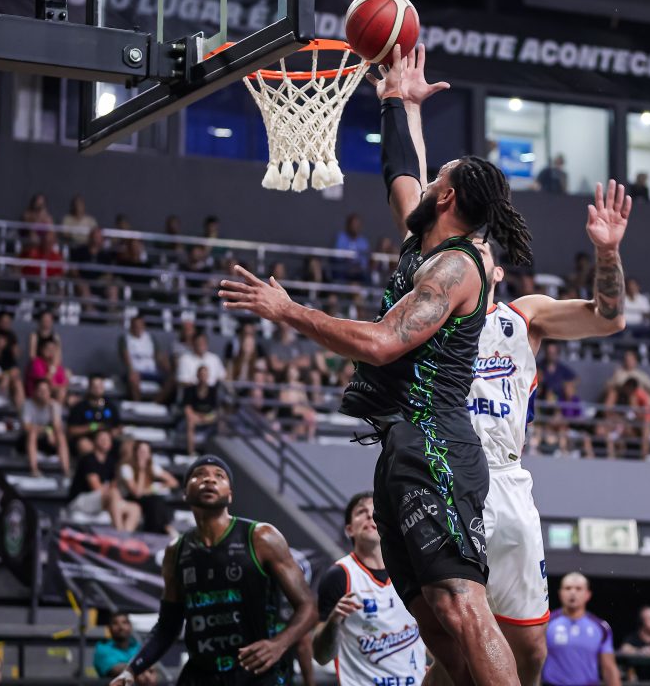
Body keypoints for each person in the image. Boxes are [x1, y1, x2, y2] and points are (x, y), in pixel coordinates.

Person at [219, 43, 524, 686]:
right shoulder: (425, 238)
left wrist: (288, 310)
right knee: (433, 622)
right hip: (400, 444)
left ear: (447, 197)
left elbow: (384, 343)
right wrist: (396, 102)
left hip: (438, 442)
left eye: (438, 178)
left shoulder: (454, 266)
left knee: (462, 606)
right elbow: (402, 173)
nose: (427, 180)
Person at [468, 178, 631, 684]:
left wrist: (607, 252)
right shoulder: (429, 317)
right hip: (451, 476)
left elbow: (609, 319)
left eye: (479, 250)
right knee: (457, 642)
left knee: (532, 651)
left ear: (496, 270)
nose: (468, 256)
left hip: (508, 479)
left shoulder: (524, 316)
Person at [113, 455, 316, 686]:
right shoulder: (175, 551)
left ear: (230, 495)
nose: (209, 479)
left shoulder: (261, 537)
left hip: (256, 672)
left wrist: (278, 644)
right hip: (202, 674)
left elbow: (309, 607)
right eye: (199, 475)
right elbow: (168, 626)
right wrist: (131, 670)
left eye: (219, 476)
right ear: (185, 493)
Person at [313, 492, 426, 686]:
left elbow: (432, 634)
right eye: (361, 512)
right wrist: (334, 621)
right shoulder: (339, 576)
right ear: (349, 530)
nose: (369, 515)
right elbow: (321, 657)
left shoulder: (411, 569)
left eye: (375, 511)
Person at [543, 573, 621, 686]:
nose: (573, 592)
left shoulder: (601, 627)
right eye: (568, 588)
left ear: (587, 594)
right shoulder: (546, 624)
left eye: (578, 589)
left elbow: (609, 669)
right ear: (560, 593)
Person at [67, 429, 139, 531]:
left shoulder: (111, 462)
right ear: (94, 441)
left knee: (135, 508)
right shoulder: (88, 459)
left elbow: (113, 485)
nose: (105, 441)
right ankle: (119, 532)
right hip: (80, 500)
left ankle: (126, 536)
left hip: (102, 499)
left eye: (107, 439)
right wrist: (111, 494)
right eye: (102, 439)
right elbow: (96, 487)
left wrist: (113, 496)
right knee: (114, 493)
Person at [118, 441, 178, 535]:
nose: (143, 455)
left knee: (158, 501)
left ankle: (163, 528)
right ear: (135, 453)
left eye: (146, 452)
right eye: (141, 451)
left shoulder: (152, 467)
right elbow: (137, 493)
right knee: (155, 502)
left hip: (147, 498)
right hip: (131, 499)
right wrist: (141, 470)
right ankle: (165, 528)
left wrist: (156, 487)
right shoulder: (126, 468)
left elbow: (174, 482)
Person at [22, 379, 70, 478]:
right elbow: (26, 427)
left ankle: (66, 470)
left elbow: (57, 426)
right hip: (28, 439)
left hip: (49, 440)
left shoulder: (54, 405)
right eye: (40, 390)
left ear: (49, 392)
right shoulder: (27, 404)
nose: (43, 393)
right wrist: (47, 431)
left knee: (61, 435)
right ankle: (34, 469)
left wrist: (52, 410)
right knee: (32, 433)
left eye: (45, 391)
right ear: (35, 392)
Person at [120, 316, 172, 402]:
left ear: (144, 326)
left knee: (172, 379)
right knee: (133, 377)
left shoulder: (151, 338)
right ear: (131, 326)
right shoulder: (125, 339)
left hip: (152, 372)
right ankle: (138, 403)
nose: (138, 327)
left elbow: (158, 356)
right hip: (136, 372)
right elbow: (125, 357)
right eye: (135, 325)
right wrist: (131, 370)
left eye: (140, 325)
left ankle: (155, 404)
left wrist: (169, 369)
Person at [66, 376, 121, 457]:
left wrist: (113, 433)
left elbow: (118, 426)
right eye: (95, 386)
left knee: (127, 446)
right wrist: (94, 427)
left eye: (100, 386)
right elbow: (71, 430)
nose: (97, 389)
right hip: (88, 439)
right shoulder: (80, 407)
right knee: (84, 445)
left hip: (108, 439)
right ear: (89, 388)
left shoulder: (110, 406)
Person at [182, 365, 223, 456]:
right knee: (190, 422)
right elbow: (187, 408)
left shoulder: (213, 391)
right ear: (197, 375)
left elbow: (216, 410)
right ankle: (191, 452)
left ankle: (217, 453)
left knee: (221, 421)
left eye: (205, 375)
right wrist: (195, 417)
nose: (203, 377)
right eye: (201, 374)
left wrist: (206, 418)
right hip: (194, 417)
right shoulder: (190, 390)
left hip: (208, 417)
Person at [94, 610, 141, 677]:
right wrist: (143, 665)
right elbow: (117, 670)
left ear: (131, 626)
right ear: (109, 628)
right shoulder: (102, 648)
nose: (121, 627)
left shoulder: (138, 647)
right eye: (115, 623)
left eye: (124, 622)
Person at [334, 213, 371, 283]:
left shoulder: (363, 242)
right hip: (344, 268)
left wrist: (357, 266)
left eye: (357, 224)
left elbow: (364, 261)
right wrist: (349, 263)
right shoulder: (341, 238)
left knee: (367, 277)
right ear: (348, 225)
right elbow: (338, 256)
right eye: (353, 224)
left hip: (358, 270)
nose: (355, 227)